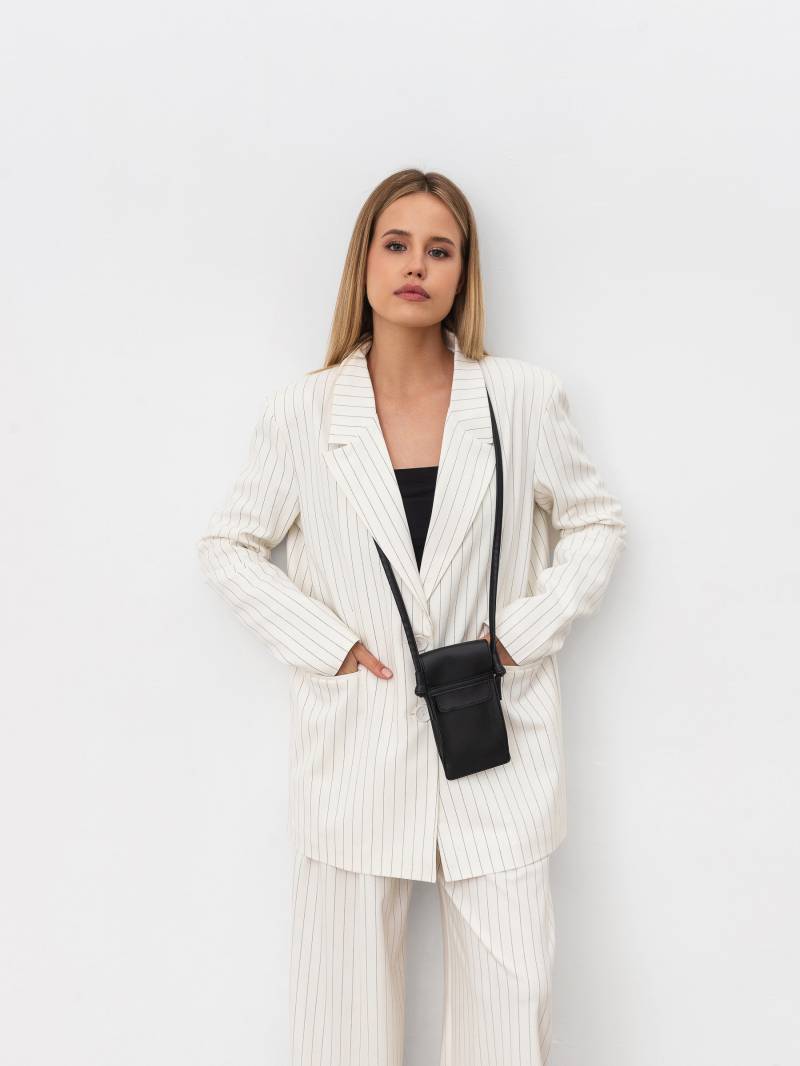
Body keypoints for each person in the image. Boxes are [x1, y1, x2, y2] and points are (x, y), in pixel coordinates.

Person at [196, 167, 627, 1066]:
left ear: (464, 274)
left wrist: (521, 637)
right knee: (341, 1033)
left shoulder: (521, 399)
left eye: (441, 250)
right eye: (396, 245)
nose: (416, 266)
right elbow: (230, 546)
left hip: (497, 749)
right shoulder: (303, 414)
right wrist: (332, 646)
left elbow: (595, 523)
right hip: (355, 753)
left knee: (511, 1018)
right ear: (364, 261)